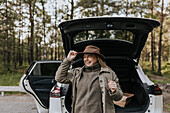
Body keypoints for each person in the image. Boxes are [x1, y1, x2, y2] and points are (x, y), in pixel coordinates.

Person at [55, 45, 123, 113]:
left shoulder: (109, 73)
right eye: (84, 57)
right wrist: (68, 60)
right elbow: (59, 77)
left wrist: (114, 91)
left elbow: (119, 97)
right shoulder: (77, 73)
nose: (86, 59)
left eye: (89, 56)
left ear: (97, 58)